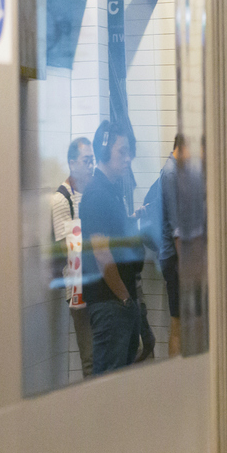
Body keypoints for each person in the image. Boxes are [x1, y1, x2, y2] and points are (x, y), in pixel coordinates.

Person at [80, 120, 147, 374]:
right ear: (105, 152)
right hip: (111, 304)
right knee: (109, 387)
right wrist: (125, 299)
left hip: (120, 302)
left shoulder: (110, 192)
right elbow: (101, 253)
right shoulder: (97, 194)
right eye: (123, 151)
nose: (128, 158)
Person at [51, 137, 95, 377]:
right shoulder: (61, 199)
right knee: (89, 356)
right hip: (78, 284)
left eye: (92, 161)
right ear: (72, 163)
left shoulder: (91, 191)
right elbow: (65, 249)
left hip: (95, 280)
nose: (90, 166)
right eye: (86, 161)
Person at [154, 135, 183, 356]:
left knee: (182, 321)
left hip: (174, 255)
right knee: (178, 323)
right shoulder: (171, 173)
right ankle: (177, 377)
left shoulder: (175, 171)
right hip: (175, 257)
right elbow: (177, 228)